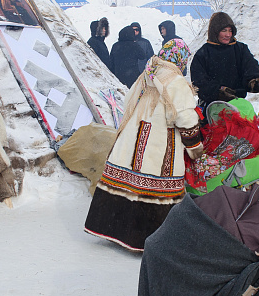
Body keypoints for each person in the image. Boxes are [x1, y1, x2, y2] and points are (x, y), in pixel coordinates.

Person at [84, 39, 202, 251]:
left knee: (128, 181)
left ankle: (115, 230)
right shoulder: (175, 81)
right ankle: (148, 239)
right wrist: (195, 145)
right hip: (159, 141)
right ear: (181, 59)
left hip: (134, 134)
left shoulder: (148, 72)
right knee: (155, 184)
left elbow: (129, 99)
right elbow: (184, 115)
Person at [190, 12, 259, 108]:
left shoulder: (240, 49)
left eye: (230, 31)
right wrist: (219, 91)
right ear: (215, 32)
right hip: (212, 106)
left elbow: (250, 66)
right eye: (224, 30)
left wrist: (255, 81)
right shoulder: (203, 53)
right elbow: (199, 81)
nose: (228, 35)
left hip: (238, 103)